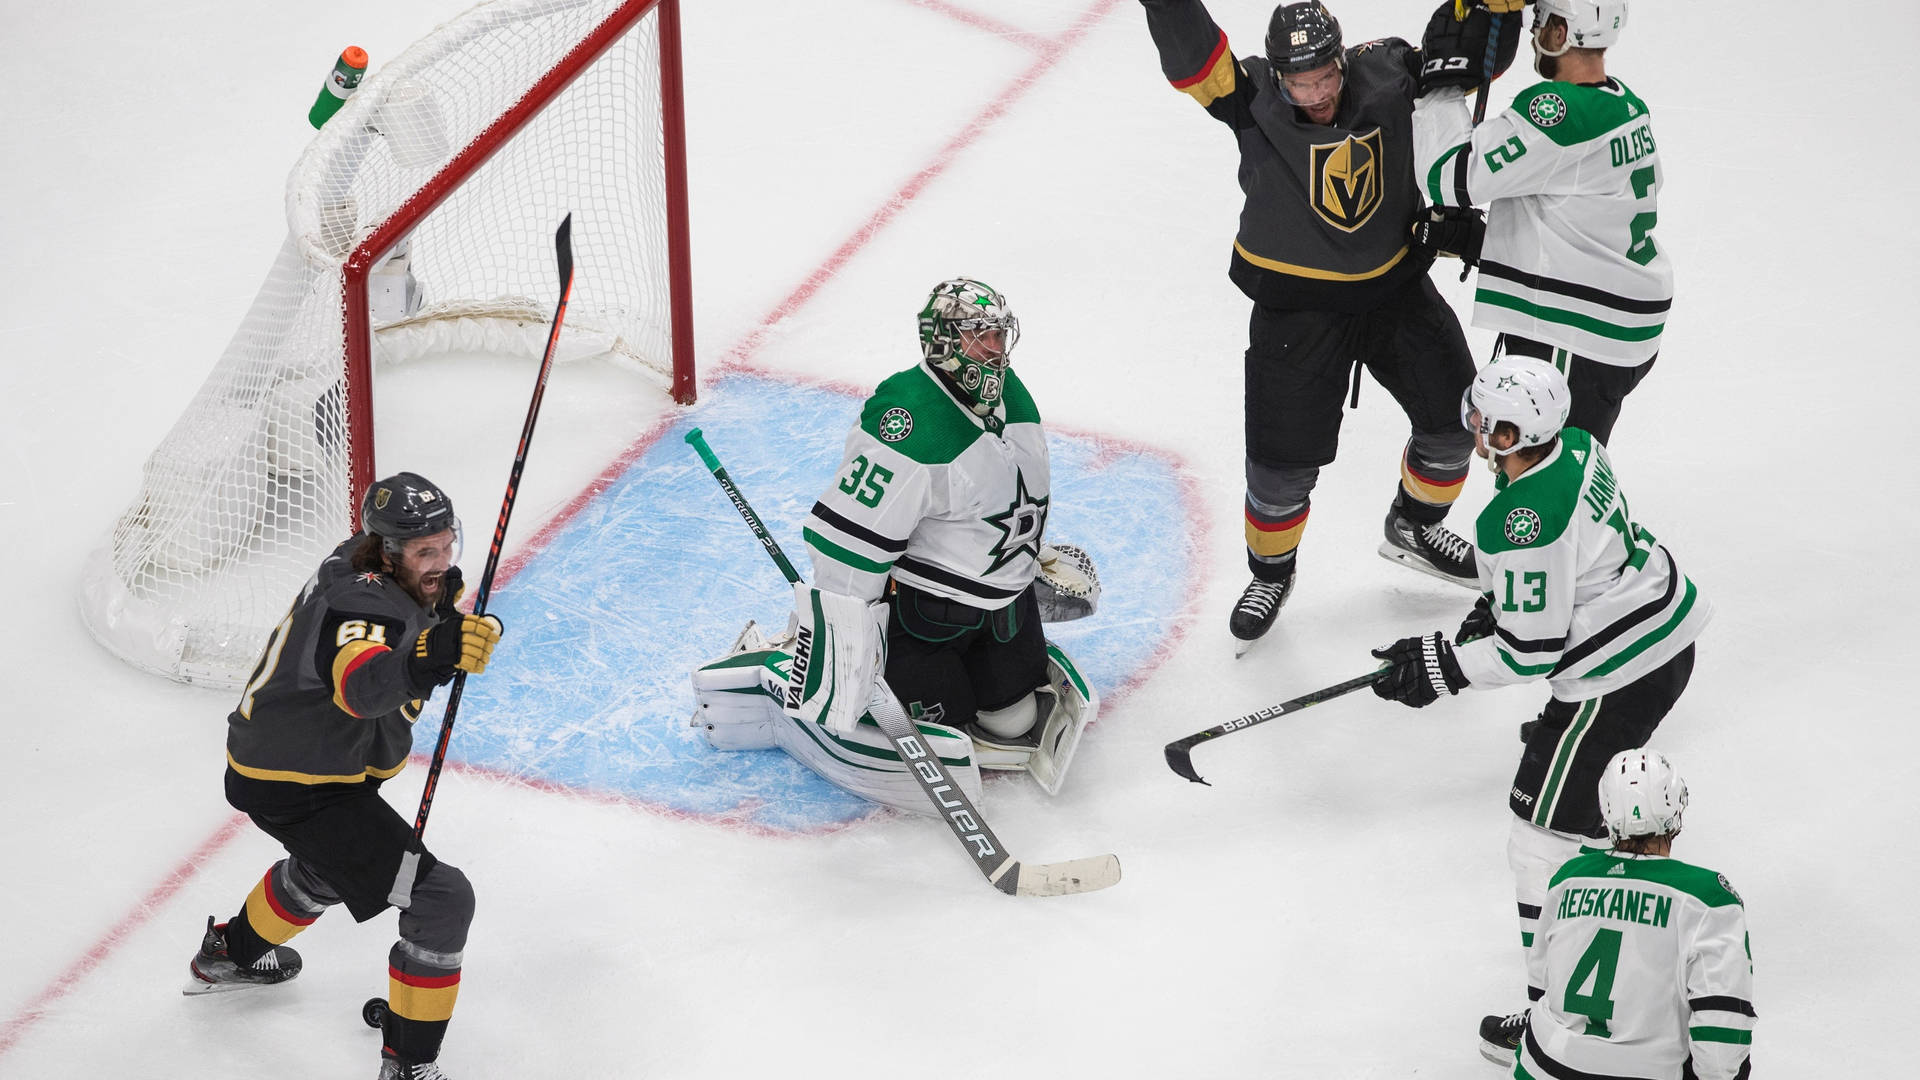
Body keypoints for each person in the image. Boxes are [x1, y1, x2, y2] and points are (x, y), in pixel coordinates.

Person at [1138, 0, 1525, 649]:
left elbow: (1459, 76)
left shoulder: (1390, 74)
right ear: (1280, 75)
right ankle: (1271, 572)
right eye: (1300, 82)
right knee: (1280, 468)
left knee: (1457, 421)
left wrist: (1496, 15)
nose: (1314, 94)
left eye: (1323, 77)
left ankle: (1416, 528)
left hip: (1395, 293)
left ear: (1340, 62)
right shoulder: (1252, 96)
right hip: (1298, 310)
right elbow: (1193, 60)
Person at [1366, 357, 1711, 1054]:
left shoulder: (1520, 519)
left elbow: (1530, 652)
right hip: (1665, 630)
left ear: (1507, 431)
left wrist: (1440, 667)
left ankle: (1556, 1018)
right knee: (1581, 828)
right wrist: (1494, 605)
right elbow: (1573, 565)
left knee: (1541, 840)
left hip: (1617, 677)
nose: (1475, 431)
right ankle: (1623, 969)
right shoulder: (1579, 444)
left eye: (1485, 424)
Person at [694, 279, 1101, 806]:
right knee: (949, 725)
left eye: (999, 335)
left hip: (1005, 609)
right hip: (925, 621)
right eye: (979, 337)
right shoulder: (908, 421)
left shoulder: (1009, 394)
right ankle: (788, 654)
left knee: (1014, 720)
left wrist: (1028, 557)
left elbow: (1008, 495)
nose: (996, 351)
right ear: (942, 342)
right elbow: (848, 543)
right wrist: (844, 635)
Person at [185, 472, 503, 1080]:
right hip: (299, 783)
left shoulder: (370, 567)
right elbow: (362, 686)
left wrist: (451, 625)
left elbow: (421, 616)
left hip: (309, 764)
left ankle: (232, 953)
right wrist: (434, 653)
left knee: (329, 869)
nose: (440, 561)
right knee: (440, 898)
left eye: (446, 544)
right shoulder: (360, 606)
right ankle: (408, 1066)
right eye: (424, 552)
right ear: (387, 552)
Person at [1412, 0, 1668, 446]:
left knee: (1542, 469)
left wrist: (1442, 83)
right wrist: (1488, 241)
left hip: (1577, 334)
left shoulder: (1559, 112)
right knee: (1570, 462)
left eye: (1542, 21)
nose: (1533, 31)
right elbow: (1575, 207)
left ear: (1561, 33)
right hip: (1618, 325)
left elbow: (1446, 176)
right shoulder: (1626, 104)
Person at [1493, 748, 1755, 1076]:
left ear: (1605, 810)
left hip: (1541, 1066)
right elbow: (1721, 1040)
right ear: (1676, 806)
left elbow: (1540, 984)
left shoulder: (1569, 877)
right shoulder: (1708, 898)